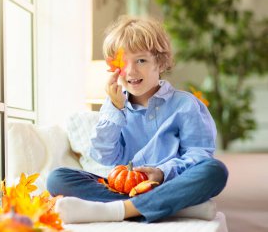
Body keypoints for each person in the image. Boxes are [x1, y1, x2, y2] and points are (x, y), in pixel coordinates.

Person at [46, 15, 228, 224]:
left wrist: (161, 173)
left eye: (141, 60)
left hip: (170, 184)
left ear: (160, 63)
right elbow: (103, 155)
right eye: (123, 62)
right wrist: (116, 109)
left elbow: (199, 154)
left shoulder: (185, 105)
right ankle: (165, 207)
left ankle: (119, 210)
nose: (131, 71)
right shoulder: (114, 105)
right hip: (124, 188)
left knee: (214, 171)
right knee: (58, 178)